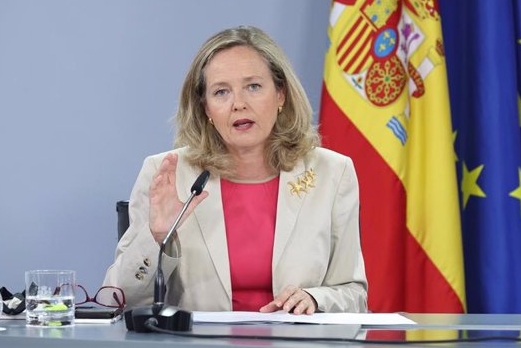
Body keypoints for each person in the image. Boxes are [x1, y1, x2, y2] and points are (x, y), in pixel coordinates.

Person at [103, 26, 367, 314]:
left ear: (280, 94)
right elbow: (114, 300)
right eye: (221, 92)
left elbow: (354, 294)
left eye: (253, 86)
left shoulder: (332, 173)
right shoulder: (168, 173)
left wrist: (316, 300)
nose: (238, 104)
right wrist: (156, 237)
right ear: (205, 108)